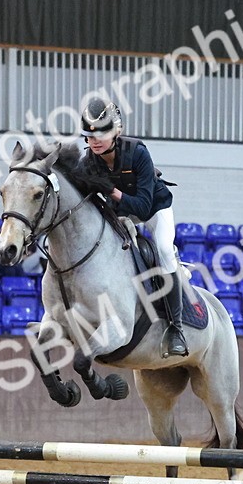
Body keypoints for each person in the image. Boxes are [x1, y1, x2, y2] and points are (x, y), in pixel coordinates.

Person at [77, 97, 186, 358]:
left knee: (163, 249)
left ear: (116, 131)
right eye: (89, 136)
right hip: (123, 211)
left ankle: (176, 329)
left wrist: (111, 191)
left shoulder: (137, 152)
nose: (95, 141)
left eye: (101, 133)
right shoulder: (88, 162)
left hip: (154, 208)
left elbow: (142, 205)